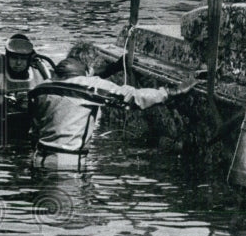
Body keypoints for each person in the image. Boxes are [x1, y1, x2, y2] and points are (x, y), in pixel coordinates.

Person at [29, 57, 196, 171]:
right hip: (67, 162)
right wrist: (170, 92)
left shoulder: (41, 89)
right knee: (73, 214)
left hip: (39, 158)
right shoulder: (88, 87)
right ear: (84, 75)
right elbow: (132, 97)